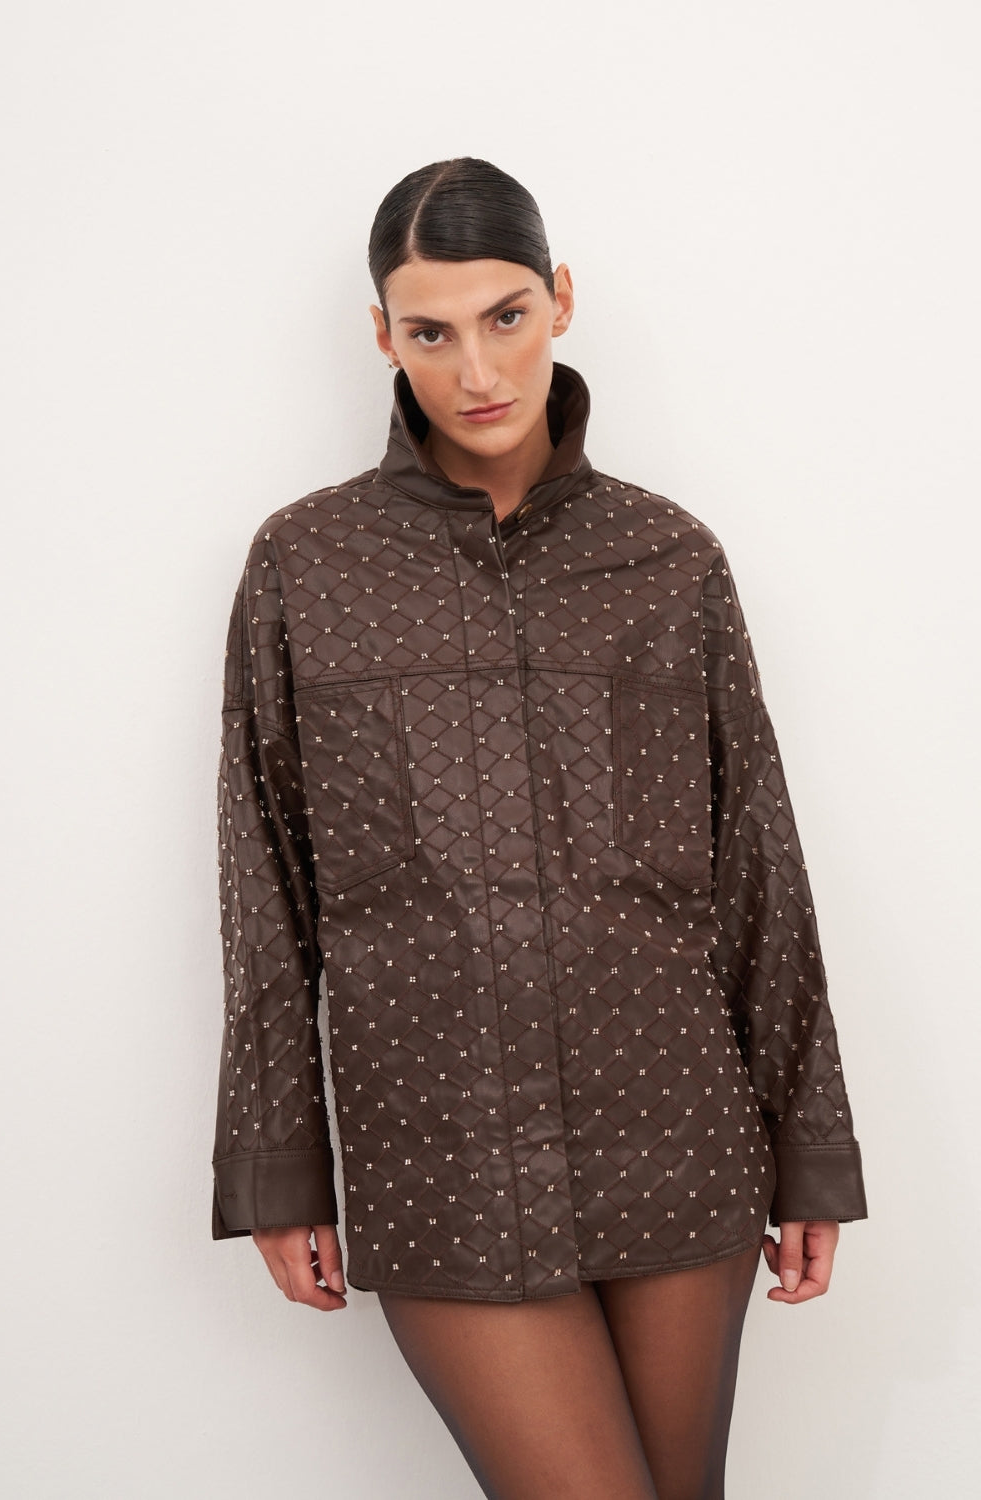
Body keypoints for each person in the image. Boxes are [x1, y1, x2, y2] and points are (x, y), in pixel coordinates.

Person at [210, 157, 869, 1500]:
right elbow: (262, 873)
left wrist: (810, 1146)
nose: (476, 370)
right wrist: (280, 1164)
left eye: (506, 316)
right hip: (439, 1140)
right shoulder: (305, 564)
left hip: (675, 1123)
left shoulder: (669, 559)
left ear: (561, 299)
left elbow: (758, 859)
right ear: (382, 336)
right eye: (430, 331)